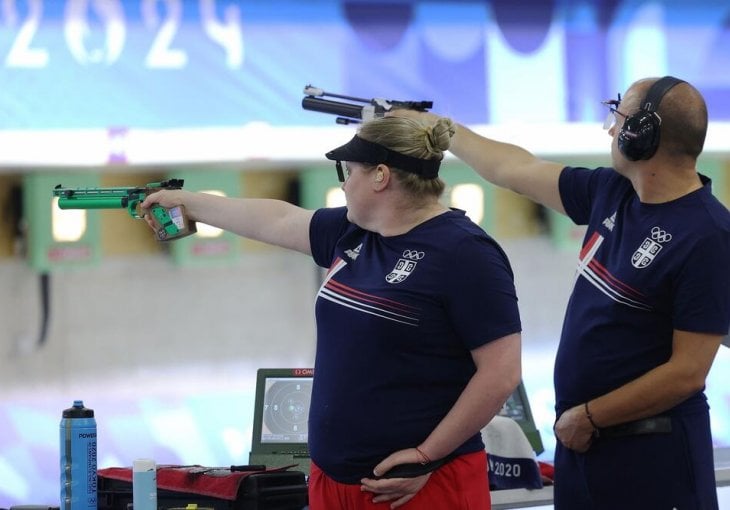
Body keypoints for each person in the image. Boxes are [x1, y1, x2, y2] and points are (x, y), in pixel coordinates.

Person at [141, 115, 522, 509]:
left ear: (380, 176)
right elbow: (279, 219)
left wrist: (428, 454)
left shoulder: (466, 253)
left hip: (416, 485)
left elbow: (501, 372)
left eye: (349, 171)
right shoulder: (353, 231)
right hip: (334, 479)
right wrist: (188, 203)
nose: (343, 183)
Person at [391, 76, 730, 509]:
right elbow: (514, 169)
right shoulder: (613, 193)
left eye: (619, 116)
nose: (611, 129)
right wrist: (439, 127)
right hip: (588, 444)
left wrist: (588, 416)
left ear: (642, 133)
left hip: (650, 453)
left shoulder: (707, 235)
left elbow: (687, 372)